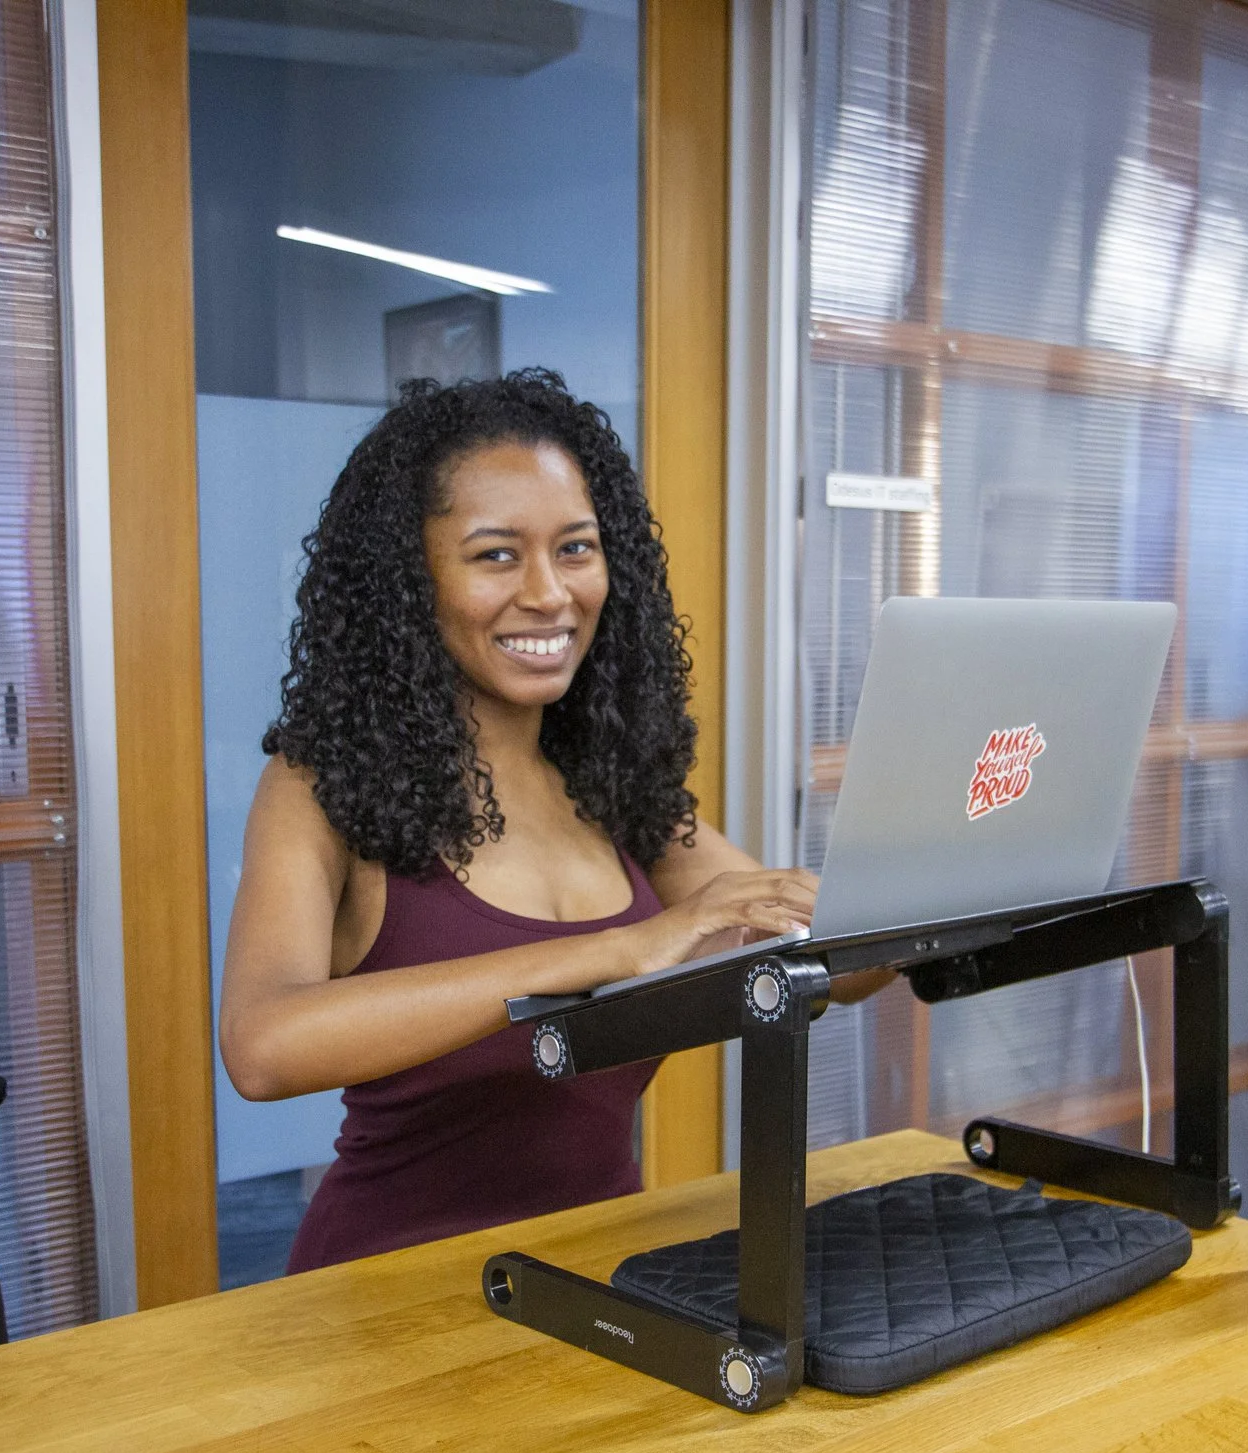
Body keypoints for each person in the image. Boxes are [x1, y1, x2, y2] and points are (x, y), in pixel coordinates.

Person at [221, 370, 859, 1272]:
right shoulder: (321, 786)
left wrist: (910, 905)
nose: (550, 593)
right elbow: (262, 1046)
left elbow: (804, 952)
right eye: (495, 555)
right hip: (385, 1297)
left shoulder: (610, 780)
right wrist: (613, 952)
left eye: (575, 548)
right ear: (413, 579)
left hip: (606, 1277)